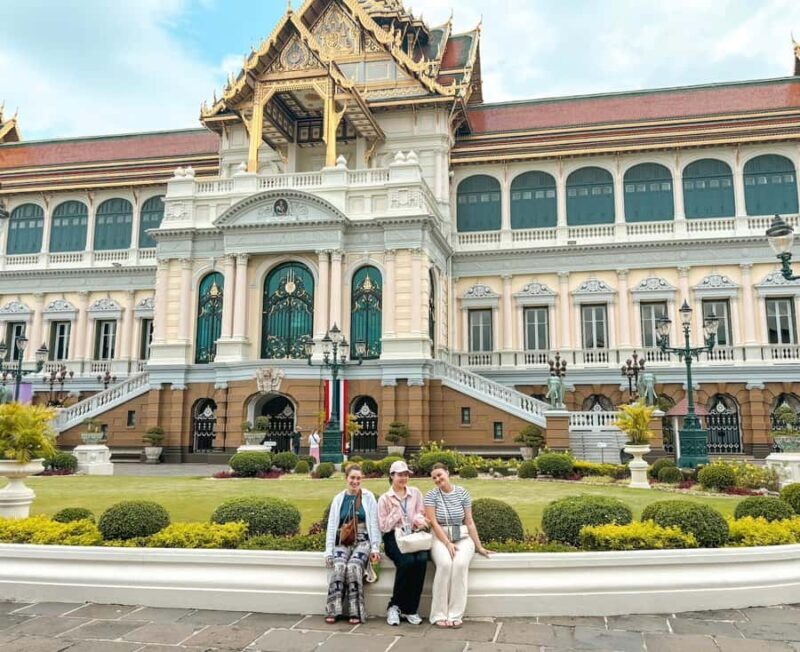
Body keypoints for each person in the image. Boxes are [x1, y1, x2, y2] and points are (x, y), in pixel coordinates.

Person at [424, 463, 490, 628]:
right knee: (445, 565)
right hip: (440, 537)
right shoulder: (431, 495)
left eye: (440, 475)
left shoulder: (462, 493)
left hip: (462, 536)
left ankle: (455, 614)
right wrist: (447, 543)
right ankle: (438, 614)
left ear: (447, 473)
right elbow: (433, 523)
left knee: (460, 565)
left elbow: (469, 521)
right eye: (434, 478)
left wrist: (479, 546)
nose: (438, 479)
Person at [324, 464, 381, 624]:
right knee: (339, 565)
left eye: (358, 478)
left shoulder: (368, 497)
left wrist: (375, 547)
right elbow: (332, 526)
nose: (355, 481)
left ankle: (356, 611)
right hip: (344, 540)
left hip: (363, 541)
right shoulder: (338, 499)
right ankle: (333, 609)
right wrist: (329, 551)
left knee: (354, 566)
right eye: (352, 478)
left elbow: (374, 524)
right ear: (346, 478)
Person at [377, 460, 429, 626]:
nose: (403, 478)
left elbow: (420, 513)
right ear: (392, 476)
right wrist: (396, 512)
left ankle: (411, 609)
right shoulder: (385, 499)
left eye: (406, 474)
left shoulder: (415, 493)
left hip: (413, 535)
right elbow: (383, 526)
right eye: (400, 474)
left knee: (421, 560)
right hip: (393, 537)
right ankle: (395, 606)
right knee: (406, 562)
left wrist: (419, 521)